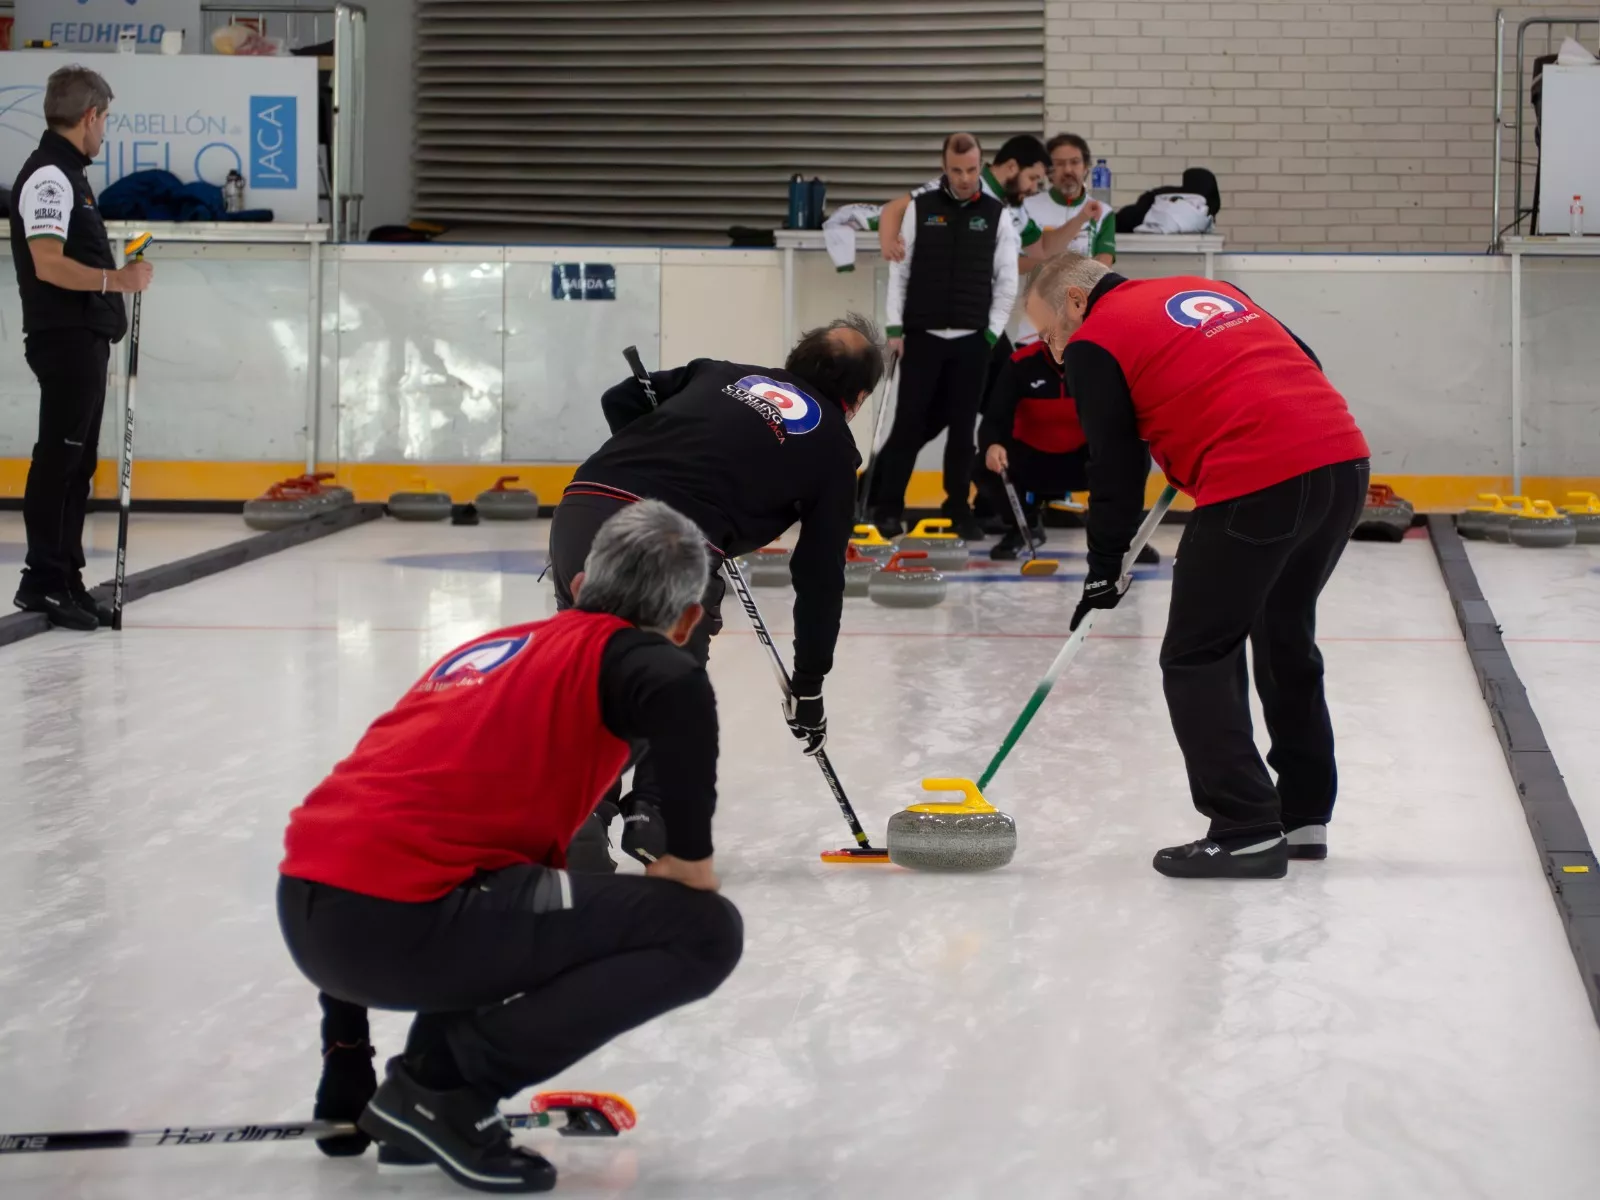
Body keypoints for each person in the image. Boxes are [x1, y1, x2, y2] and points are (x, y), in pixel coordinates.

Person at [279, 500, 742, 1194]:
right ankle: (445, 1091)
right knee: (704, 932)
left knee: (507, 889)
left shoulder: (490, 651)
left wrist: (345, 1061)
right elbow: (672, 682)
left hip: (313, 912)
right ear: (686, 622)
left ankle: (419, 1102)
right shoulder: (626, 654)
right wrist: (692, 859)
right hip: (398, 924)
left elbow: (359, 826)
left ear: (580, 585)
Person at [1025, 253, 1371, 880]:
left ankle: (1244, 827)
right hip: (1342, 463)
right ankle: (1302, 814)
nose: (1052, 353)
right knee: (1282, 635)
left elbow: (1115, 465)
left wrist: (1103, 567)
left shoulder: (1096, 338)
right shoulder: (1209, 287)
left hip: (1258, 477)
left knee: (1196, 653)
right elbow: (1306, 362)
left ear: (1076, 301)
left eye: (1049, 333)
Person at [550, 315, 884, 865]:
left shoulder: (719, 373)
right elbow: (820, 576)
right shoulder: (833, 449)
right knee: (667, 677)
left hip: (582, 509)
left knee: (594, 668)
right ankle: (654, 815)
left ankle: (584, 815)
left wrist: (661, 448)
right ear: (859, 396)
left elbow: (620, 398)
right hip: (672, 539)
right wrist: (809, 684)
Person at [8, 65, 152, 629]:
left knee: (78, 462)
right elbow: (47, 263)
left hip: (84, 337)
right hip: (63, 338)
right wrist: (116, 282)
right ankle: (41, 579)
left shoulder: (70, 173)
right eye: (105, 120)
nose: (104, 131)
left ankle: (64, 575)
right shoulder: (50, 177)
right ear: (89, 116)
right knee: (59, 458)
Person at [869, 134, 1019, 539]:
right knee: (907, 426)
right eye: (957, 170)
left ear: (980, 165)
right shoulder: (920, 209)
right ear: (945, 167)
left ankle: (957, 510)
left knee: (961, 429)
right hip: (922, 336)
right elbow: (900, 271)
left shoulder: (996, 214)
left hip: (973, 339)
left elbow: (1007, 280)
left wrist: (991, 333)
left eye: (972, 169)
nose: (966, 178)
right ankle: (886, 509)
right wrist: (895, 328)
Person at [972, 338, 1159, 565]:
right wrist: (993, 444)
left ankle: (1123, 535)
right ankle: (1025, 529)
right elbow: (993, 419)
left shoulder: (1103, 363)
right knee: (981, 464)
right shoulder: (1020, 363)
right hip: (1031, 460)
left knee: (1134, 455)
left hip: (1084, 460)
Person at [1023, 134, 1116, 269]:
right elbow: (1019, 263)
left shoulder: (1104, 212)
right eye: (1059, 164)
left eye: (1075, 162)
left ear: (1086, 168)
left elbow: (1103, 265)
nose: (1067, 170)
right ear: (1048, 171)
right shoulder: (1026, 208)